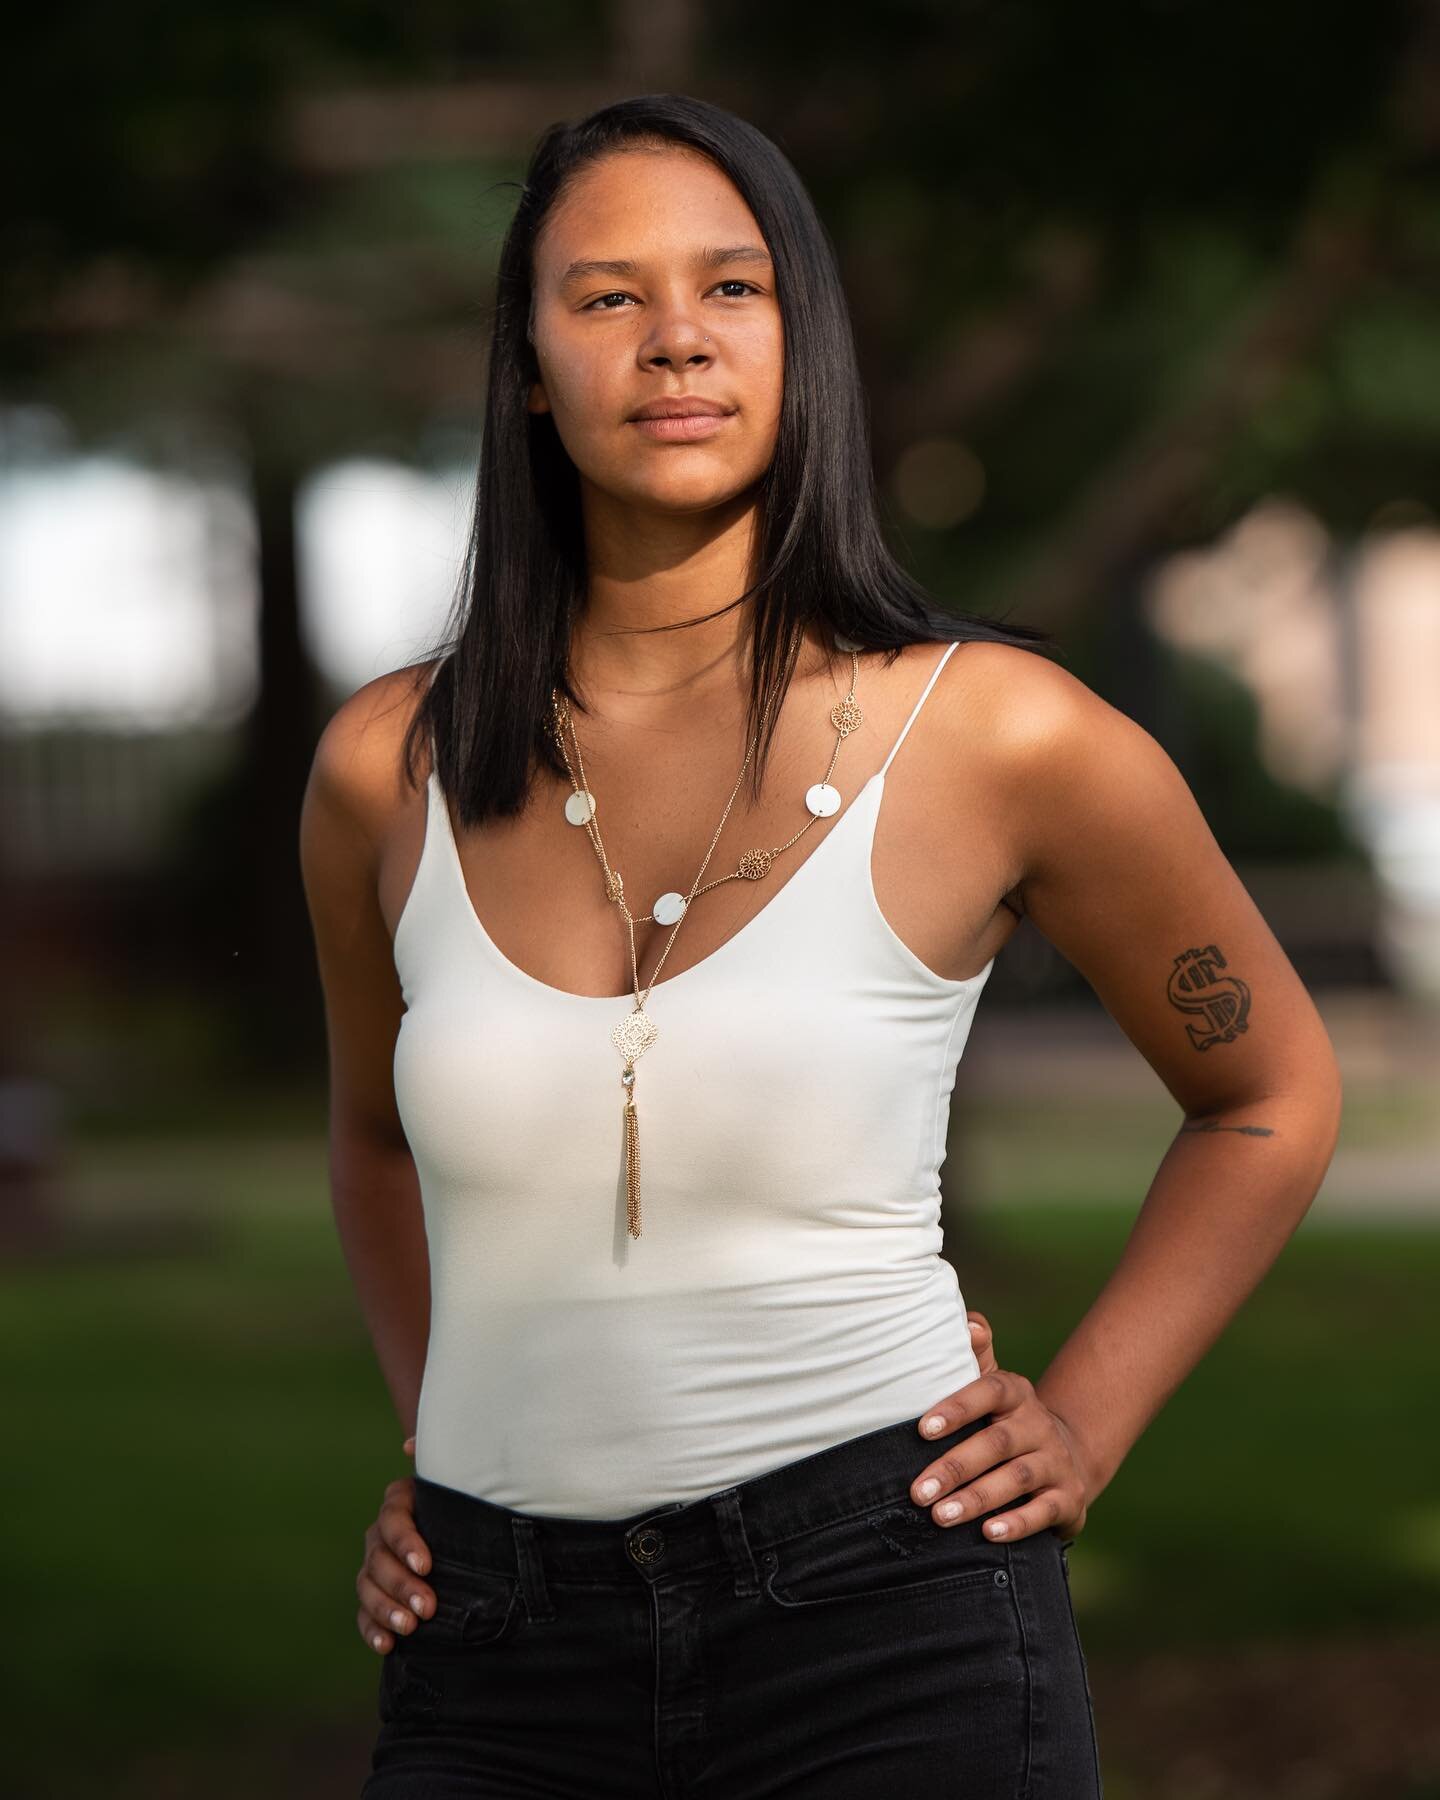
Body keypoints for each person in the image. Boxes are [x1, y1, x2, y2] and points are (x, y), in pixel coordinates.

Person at [300, 93, 1343, 1798]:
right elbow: (368, 1148)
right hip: (495, 1659)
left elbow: (1271, 1093)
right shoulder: (384, 771)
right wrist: (440, 1444)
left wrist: (1081, 1422)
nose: (676, 342)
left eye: (734, 287)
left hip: (890, 1616)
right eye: (607, 296)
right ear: (526, 363)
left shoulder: (999, 735)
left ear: (805, 341)